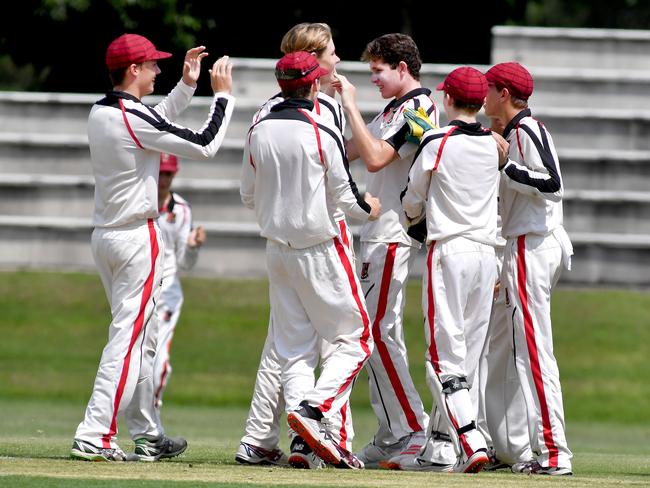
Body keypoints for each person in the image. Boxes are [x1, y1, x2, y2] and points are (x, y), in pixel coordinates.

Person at [71, 33, 235, 462]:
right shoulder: (131, 117)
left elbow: (153, 120)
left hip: (107, 235)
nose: (158, 71)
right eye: (154, 66)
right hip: (134, 238)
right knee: (128, 341)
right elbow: (205, 144)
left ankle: (145, 434)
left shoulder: (103, 110)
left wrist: (186, 86)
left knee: (142, 340)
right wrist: (222, 98)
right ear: (134, 70)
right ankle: (95, 433)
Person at [240, 50, 380, 469]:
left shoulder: (259, 127)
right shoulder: (321, 126)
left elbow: (247, 193)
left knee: (295, 350)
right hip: (319, 246)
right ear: (315, 84)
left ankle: (304, 447)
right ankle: (315, 412)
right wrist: (369, 208)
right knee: (355, 340)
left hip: (277, 249)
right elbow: (345, 193)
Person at [387, 66, 500, 473]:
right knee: (466, 354)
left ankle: (470, 440)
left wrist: (413, 211)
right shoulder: (495, 144)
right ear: (482, 102)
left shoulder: (437, 139)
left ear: (448, 100)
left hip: (449, 249)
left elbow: (413, 199)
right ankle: (439, 448)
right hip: (488, 253)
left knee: (441, 356)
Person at [333, 33, 435, 468]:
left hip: (393, 233)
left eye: (378, 70)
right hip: (376, 234)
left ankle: (411, 429)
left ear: (402, 67)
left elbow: (375, 158)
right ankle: (392, 430)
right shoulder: (393, 108)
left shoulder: (417, 107)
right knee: (376, 334)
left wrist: (351, 104)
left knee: (376, 333)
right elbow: (350, 150)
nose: (372, 78)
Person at [483, 61, 574, 476]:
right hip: (524, 244)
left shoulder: (526, 130)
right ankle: (509, 447)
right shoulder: (514, 132)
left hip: (531, 245)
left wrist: (506, 165)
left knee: (533, 352)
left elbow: (553, 184)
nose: (483, 96)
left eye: (488, 89)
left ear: (503, 93)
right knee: (502, 349)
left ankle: (554, 454)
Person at [152, 153, 206, 436]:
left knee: (158, 364)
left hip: (167, 295)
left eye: (168, 175)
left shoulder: (181, 210)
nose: (163, 181)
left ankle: (153, 425)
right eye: (160, 173)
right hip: (140, 291)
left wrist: (194, 246)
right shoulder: (139, 202)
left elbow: (185, 262)